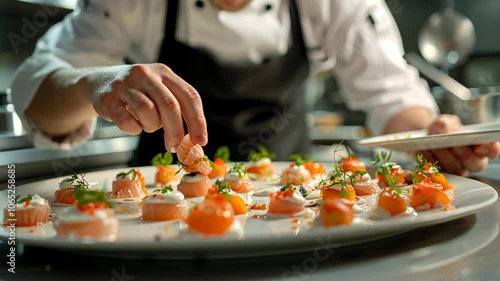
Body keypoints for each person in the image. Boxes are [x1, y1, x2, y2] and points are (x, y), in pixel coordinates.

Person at [10, 0, 500, 176]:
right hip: (152, 226)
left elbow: (393, 98)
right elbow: (37, 97)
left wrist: (433, 139)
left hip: (295, 219)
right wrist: (91, 85)